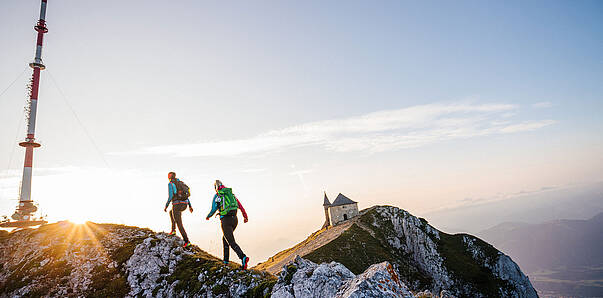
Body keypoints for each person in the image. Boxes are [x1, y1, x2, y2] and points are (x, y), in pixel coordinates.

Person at [206, 179, 250, 269]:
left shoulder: (218, 195)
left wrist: (208, 216)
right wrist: (245, 216)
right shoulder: (230, 194)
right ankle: (225, 261)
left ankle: (243, 257)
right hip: (235, 220)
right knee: (225, 239)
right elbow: (240, 206)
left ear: (216, 187)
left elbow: (214, 208)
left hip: (226, 221)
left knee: (231, 242)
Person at [164, 172, 193, 247]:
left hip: (177, 204)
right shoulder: (180, 183)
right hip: (184, 205)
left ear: (169, 177)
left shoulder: (171, 184)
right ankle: (173, 230)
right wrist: (190, 206)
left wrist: (166, 205)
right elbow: (186, 197)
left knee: (179, 223)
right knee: (171, 213)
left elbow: (170, 196)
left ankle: (187, 241)